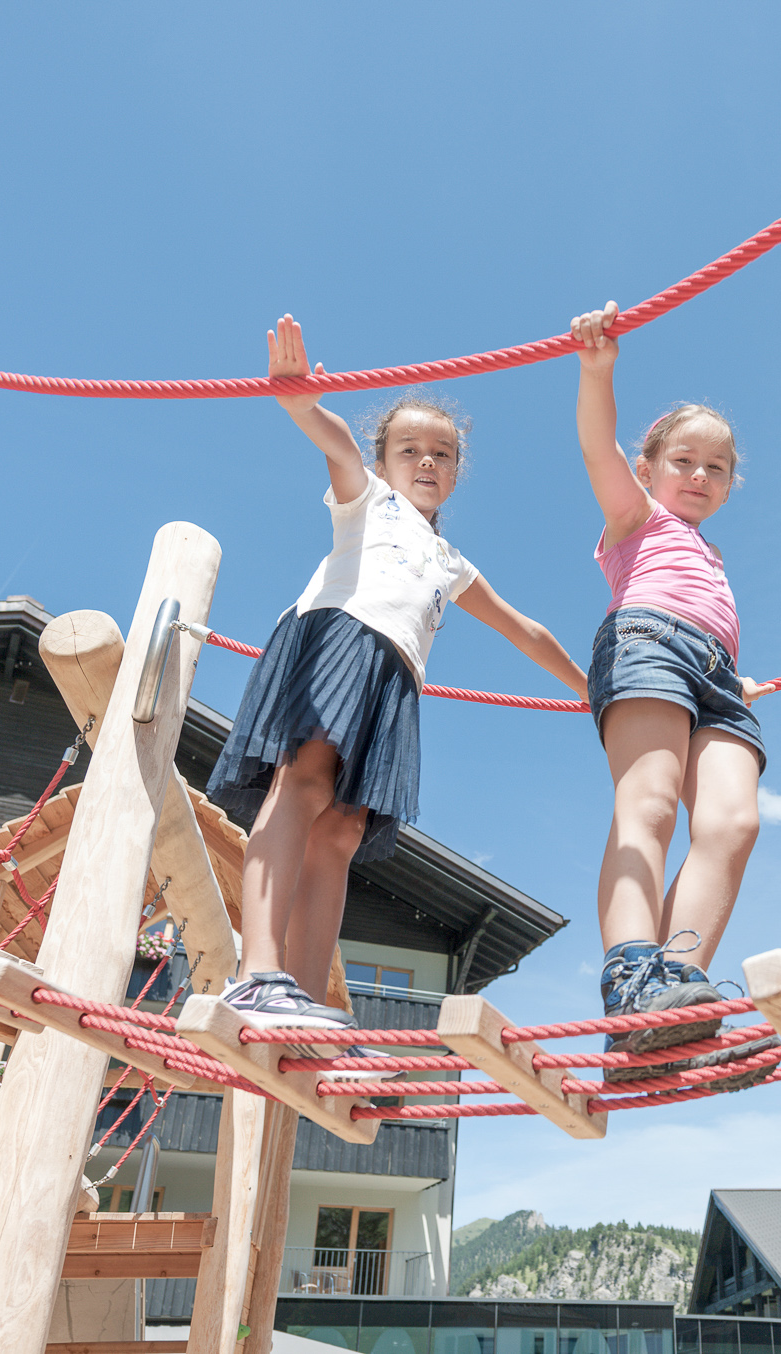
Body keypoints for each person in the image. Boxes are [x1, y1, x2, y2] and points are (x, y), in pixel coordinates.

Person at [211, 315, 589, 1032]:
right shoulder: (369, 503)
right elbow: (337, 447)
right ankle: (256, 972)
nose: (426, 462)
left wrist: (588, 690)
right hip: (342, 636)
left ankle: (306, 997)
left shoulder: (450, 561)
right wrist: (299, 402)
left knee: (345, 828)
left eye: (442, 454)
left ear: (455, 472)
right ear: (384, 462)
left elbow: (522, 628)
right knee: (307, 781)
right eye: (409, 449)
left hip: (395, 678)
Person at [570, 300, 781, 1093]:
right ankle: (631, 979)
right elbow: (597, 447)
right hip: (647, 644)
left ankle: (674, 1000)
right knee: (650, 805)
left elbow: (712, 626)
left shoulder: (713, 552)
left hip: (718, 680)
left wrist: (733, 669)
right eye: (683, 461)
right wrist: (599, 370)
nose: (699, 476)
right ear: (651, 467)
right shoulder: (637, 519)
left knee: (734, 820)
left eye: (716, 468)